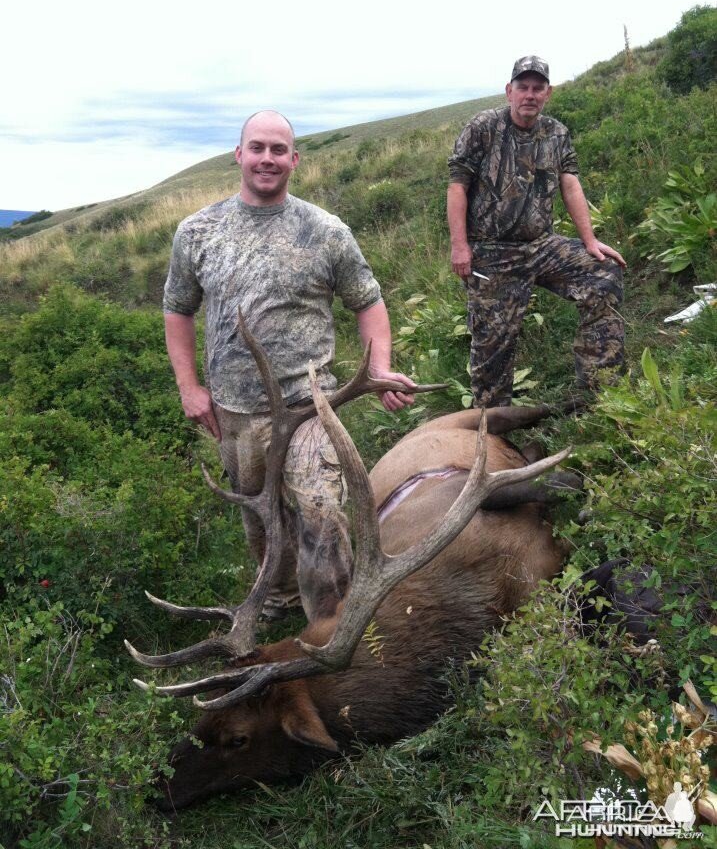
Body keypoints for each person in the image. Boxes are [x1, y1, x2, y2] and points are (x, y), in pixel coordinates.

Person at [163, 110, 415, 620]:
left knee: (322, 516)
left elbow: (368, 302)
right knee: (261, 521)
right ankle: (278, 611)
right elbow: (178, 309)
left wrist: (380, 366)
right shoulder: (197, 232)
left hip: (310, 407)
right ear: (238, 154)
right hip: (235, 413)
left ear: (294, 160)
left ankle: (338, 621)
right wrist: (189, 387)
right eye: (257, 147)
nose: (267, 159)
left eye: (279, 150)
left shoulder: (326, 231)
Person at [447, 55, 626, 407]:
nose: (529, 94)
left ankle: (601, 391)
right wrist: (460, 246)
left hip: (542, 246)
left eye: (537, 88)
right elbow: (457, 187)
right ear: (509, 91)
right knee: (493, 345)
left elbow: (570, 184)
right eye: (523, 87)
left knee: (604, 272)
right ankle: (492, 426)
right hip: (492, 253)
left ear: (548, 93)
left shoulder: (556, 133)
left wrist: (590, 241)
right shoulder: (482, 128)